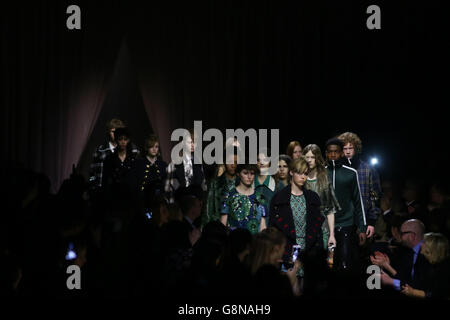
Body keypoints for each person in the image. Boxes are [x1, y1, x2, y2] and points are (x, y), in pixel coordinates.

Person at [269, 157, 325, 279]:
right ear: (291, 172)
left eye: (305, 173)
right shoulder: (279, 198)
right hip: (287, 249)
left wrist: (320, 250)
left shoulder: (313, 198)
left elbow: (318, 229)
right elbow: (273, 228)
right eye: (299, 173)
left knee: (308, 287)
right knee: (287, 284)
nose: (303, 177)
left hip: (309, 249)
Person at [325, 138, 367, 272]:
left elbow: (358, 200)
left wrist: (362, 227)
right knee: (329, 263)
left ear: (341, 153)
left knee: (344, 263)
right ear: (326, 153)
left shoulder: (350, 173)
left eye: (336, 152)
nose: (333, 155)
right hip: (325, 226)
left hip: (346, 224)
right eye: (330, 152)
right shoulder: (321, 173)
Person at [338, 132, 382, 238]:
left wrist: (372, 222)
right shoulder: (336, 170)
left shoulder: (368, 169)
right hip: (340, 221)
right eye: (345, 148)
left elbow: (375, 197)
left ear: (356, 148)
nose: (348, 151)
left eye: (351, 148)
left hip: (362, 222)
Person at [371, 219, 431, 293]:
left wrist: (391, 281)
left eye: (402, 233)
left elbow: (417, 287)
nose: (400, 236)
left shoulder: (427, 254)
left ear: (412, 236)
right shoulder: (410, 252)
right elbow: (405, 279)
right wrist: (387, 265)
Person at [302, 144, 340, 249]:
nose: (309, 160)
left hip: (322, 228)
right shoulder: (300, 178)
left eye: (312, 157)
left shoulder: (324, 179)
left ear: (317, 158)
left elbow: (330, 209)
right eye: (307, 157)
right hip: (303, 226)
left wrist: (332, 234)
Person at [248, 227, 301, 296]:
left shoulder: (248, 267)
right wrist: (290, 282)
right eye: (283, 247)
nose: (283, 251)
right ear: (277, 249)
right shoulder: (273, 277)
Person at [89, 119, 139, 192]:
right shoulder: (100, 150)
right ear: (109, 132)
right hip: (103, 192)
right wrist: (93, 188)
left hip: (128, 193)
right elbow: (92, 173)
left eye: (118, 131)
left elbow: (138, 173)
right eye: (113, 131)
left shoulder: (134, 150)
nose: (116, 133)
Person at [220, 163, 267, 235]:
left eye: (252, 173)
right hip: (233, 242)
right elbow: (223, 224)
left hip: (254, 243)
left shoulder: (260, 197)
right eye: (245, 173)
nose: (249, 177)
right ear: (238, 174)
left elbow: (263, 226)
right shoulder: (229, 195)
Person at [400, 232, 450, 299]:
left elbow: (437, 294)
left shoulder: (445, 269)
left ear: (430, 248)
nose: (420, 244)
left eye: (423, 242)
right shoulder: (425, 262)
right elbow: (417, 283)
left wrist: (414, 292)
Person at [165, 129, 207, 204]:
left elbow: (203, 187)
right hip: (180, 206)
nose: (193, 145)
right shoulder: (173, 165)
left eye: (195, 142)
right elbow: (168, 190)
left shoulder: (198, 163)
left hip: (196, 207)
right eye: (190, 142)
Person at [204, 149, 239, 227]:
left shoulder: (242, 183)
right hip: (219, 228)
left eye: (236, 162)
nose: (233, 165)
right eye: (230, 161)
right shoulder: (216, 183)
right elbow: (208, 209)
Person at [102, 127, 140, 195]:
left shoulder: (133, 159)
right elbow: (105, 182)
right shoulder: (109, 159)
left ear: (128, 140)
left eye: (125, 139)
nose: (123, 142)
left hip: (130, 198)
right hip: (114, 198)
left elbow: (137, 182)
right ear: (116, 140)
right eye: (120, 139)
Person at [137, 134, 168, 213]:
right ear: (146, 148)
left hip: (160, 203)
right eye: (151, 146)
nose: (154, 149)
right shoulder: (139, 164)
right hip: (144, 203)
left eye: (156, 146)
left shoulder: (163, 165)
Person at [254, 149, 276, 225]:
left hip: (271, 229)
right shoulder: (249, 183)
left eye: (265, 160)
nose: (261, 163)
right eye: (258, 160)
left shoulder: (277, 185)